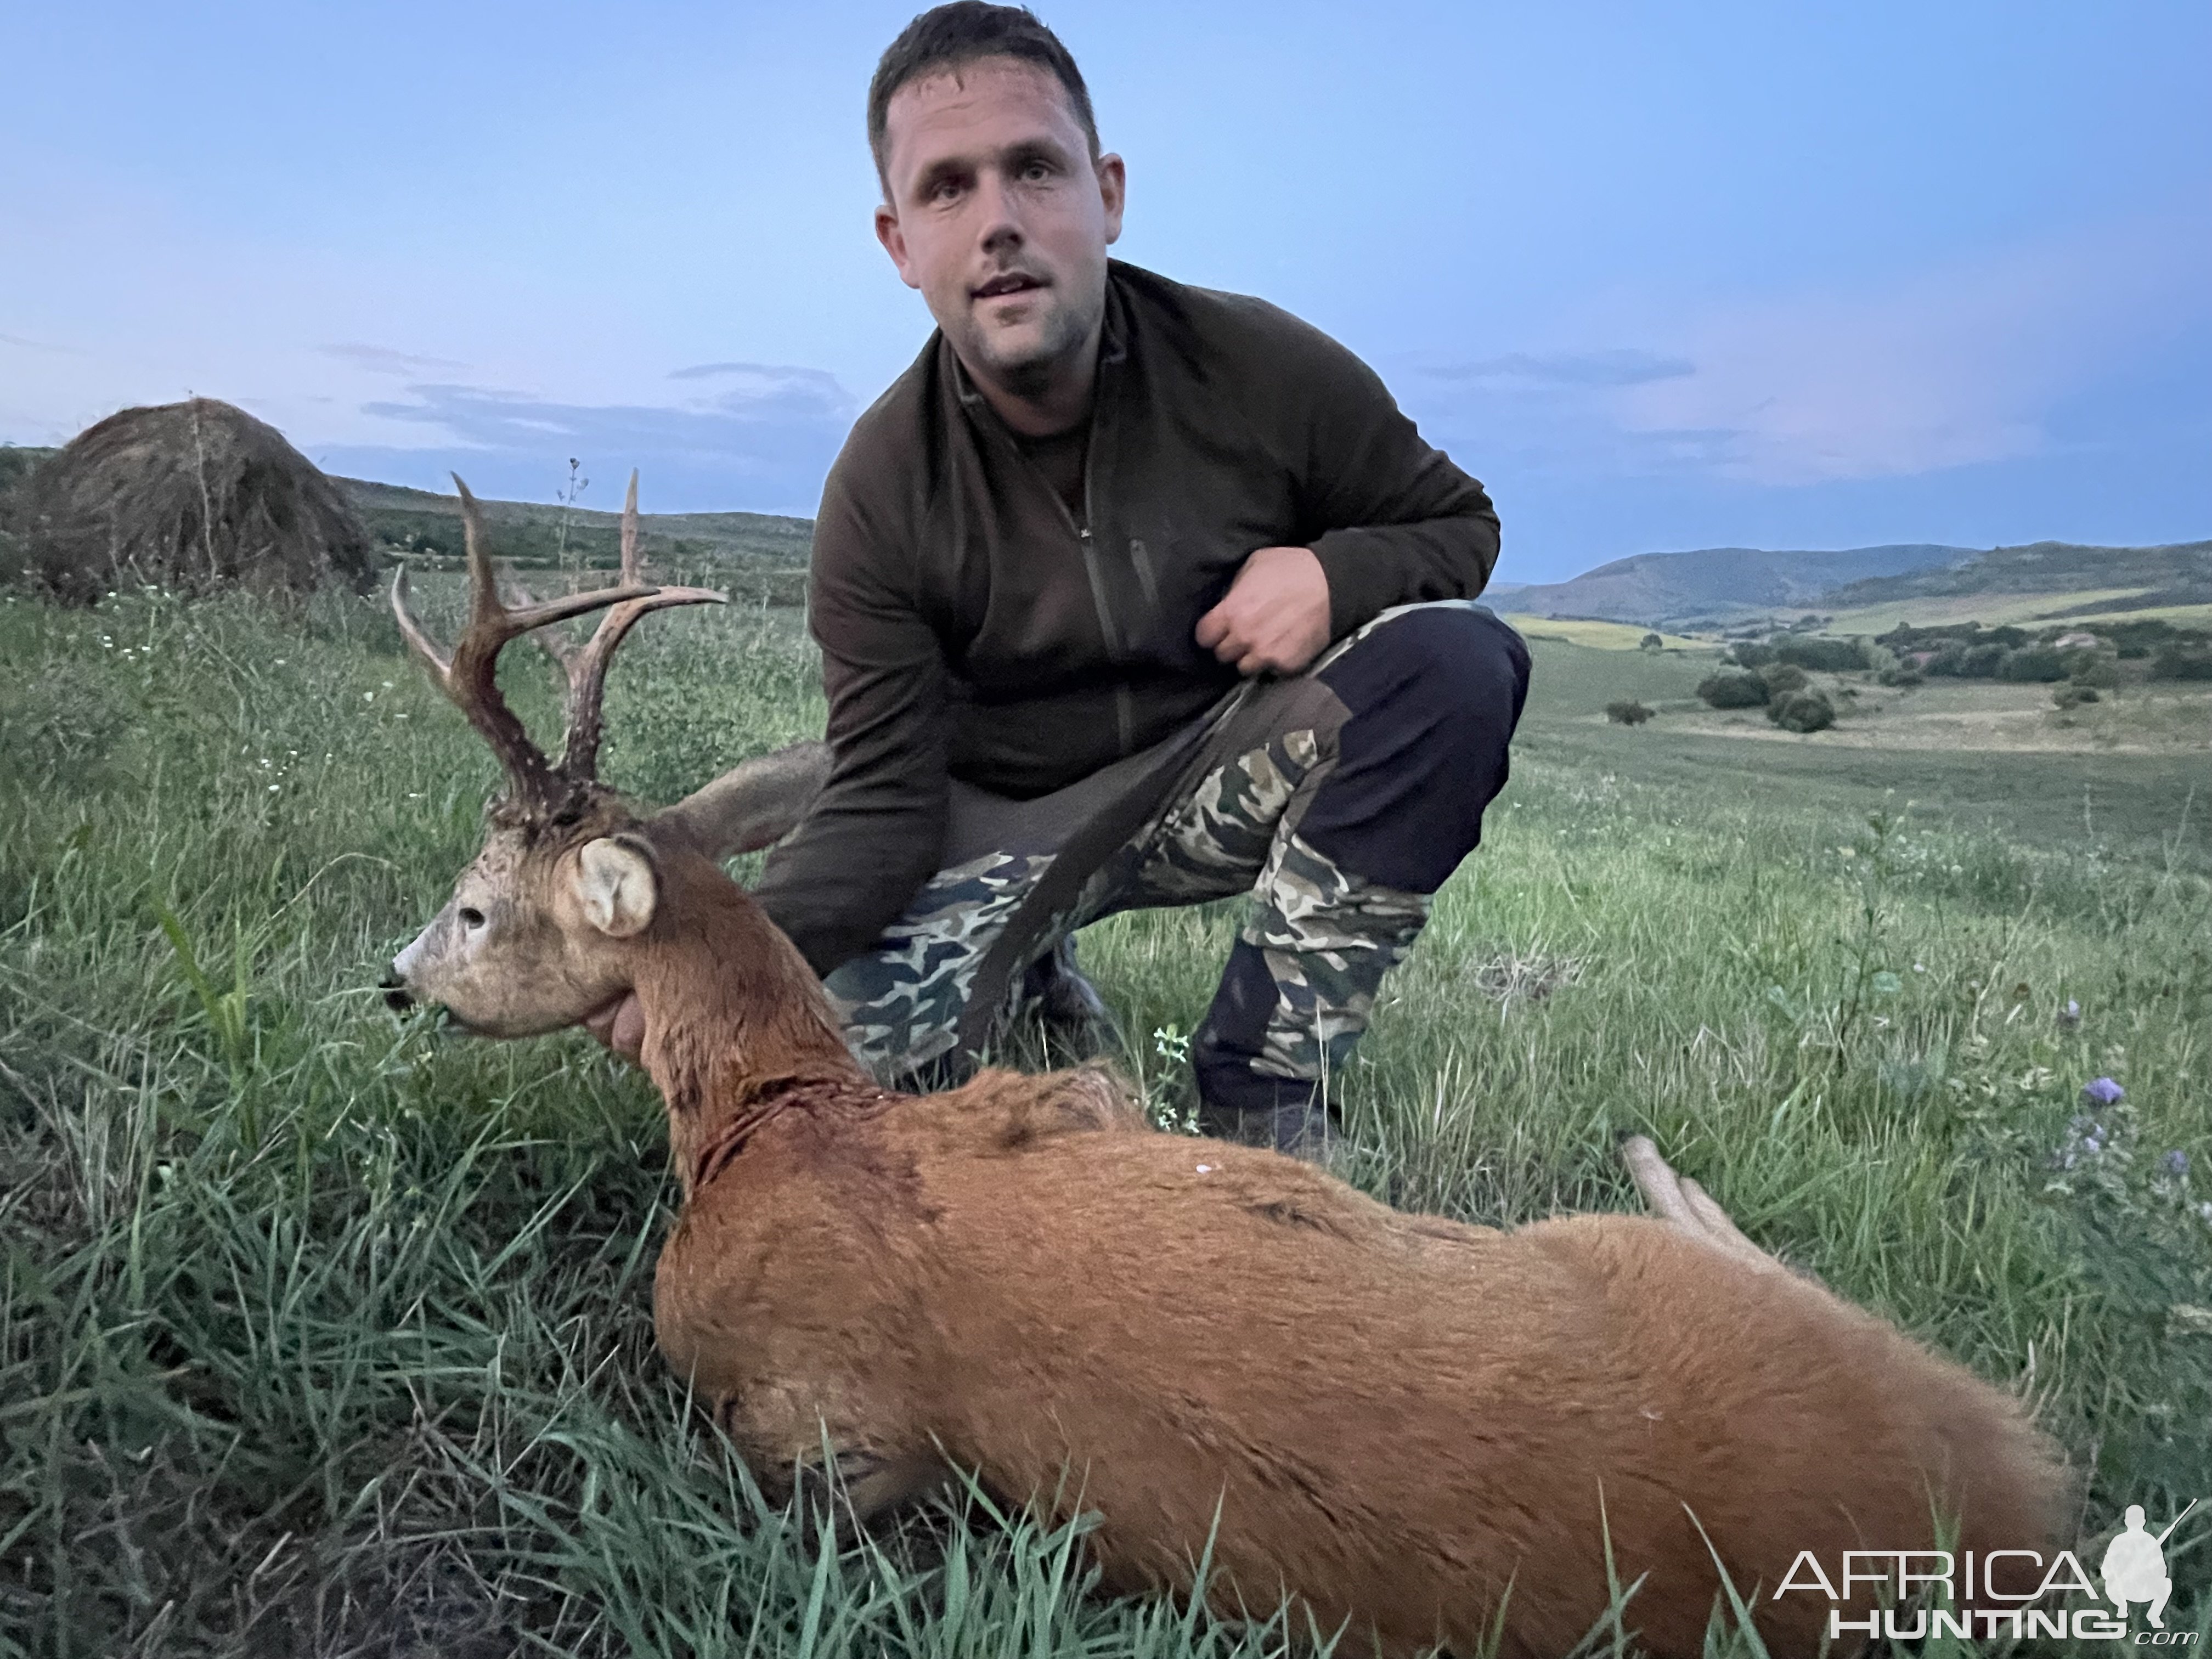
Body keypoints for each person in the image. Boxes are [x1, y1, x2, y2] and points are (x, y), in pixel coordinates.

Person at [599, 2, 1529, 1153]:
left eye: (1034, 168)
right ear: (900, 244)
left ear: (1109, 193)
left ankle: (1267, 1081)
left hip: (1207, 781)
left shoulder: (1262, 369)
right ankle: (1028, 956)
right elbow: (884, 804)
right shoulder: (881, 490)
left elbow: (1459, 522)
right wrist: (724, 960)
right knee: (834, 1088)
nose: (998, 221)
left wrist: (1337, 576)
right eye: (948, 188)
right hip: (1000, 826)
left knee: (1455, 662)